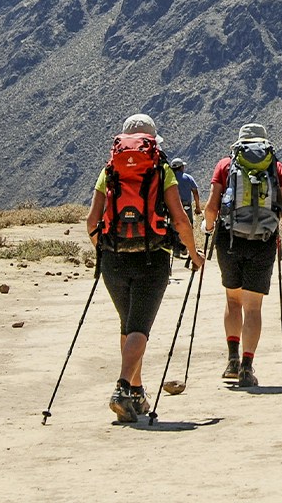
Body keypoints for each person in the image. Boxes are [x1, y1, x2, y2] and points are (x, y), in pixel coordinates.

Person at [86, 113, 204, 422]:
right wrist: (193, 253)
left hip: (113, 259)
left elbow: (91, 222)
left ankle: (136, 393)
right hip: (152, 257)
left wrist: (104, 250)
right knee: (140, 327)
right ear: (153, 140)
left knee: (128, 325)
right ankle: (123, 388)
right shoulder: (161, 170)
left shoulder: (109, 170)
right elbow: (180, 219)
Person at [203, 122, 282, 388]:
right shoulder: (276, 167)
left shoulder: (225, 165)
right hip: (263, 242)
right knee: (253, 307)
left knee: (233, 300)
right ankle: (247, 366)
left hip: (230, 239)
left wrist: (208, 229)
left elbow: (211, 208)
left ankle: (231, 361)